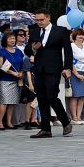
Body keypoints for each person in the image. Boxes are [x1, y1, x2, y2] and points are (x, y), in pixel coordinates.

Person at [25, 10, 74, 138]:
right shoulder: (35, 32)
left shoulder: (60, 31)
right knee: (41, 98)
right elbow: (27, 50)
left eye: (41, 20)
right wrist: (33, 49)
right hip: (39, 68)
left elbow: (68, 51)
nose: (39, 22)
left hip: (54, 68)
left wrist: (67, 67)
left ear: (48, 18)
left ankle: (65, 121)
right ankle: (45, 129)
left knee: (52, 96)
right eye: (37, 20)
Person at [0, 30, 26, 130]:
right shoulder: (2, 51)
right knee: (4, 101)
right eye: (10, 38)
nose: (12, 40)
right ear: (5, 40)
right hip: (5, 79)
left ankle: (9, 122)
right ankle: (0, 122)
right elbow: (0, 66)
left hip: (17, 80)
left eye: (13, 38)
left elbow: (22, 63)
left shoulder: (19, 51)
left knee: (12, 102)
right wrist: (13, 73)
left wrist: (21, 73)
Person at [67, 28, 84, 123]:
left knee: (82, 96)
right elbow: (70, 61)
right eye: (79, 35)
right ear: (75, 36)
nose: (81, 37)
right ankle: (74, 117)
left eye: (82, 35)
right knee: (75, 95)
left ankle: (79, 116)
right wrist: (76, 74)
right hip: (75, 73)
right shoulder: (71, 46)